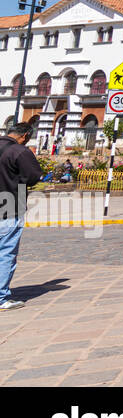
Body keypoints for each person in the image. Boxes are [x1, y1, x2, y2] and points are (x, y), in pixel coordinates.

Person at [0, 123, 44, 312]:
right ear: (25, 136)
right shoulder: (19, 151)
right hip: (9, 206)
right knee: (5, 253)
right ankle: (1, 298)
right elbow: (33, 176)